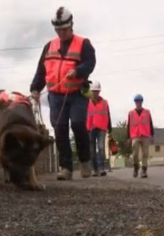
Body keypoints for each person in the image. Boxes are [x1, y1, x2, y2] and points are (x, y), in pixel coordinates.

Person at [30, 7, 96, 180]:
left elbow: (90, 63)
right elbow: (41, 71)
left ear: (71, 26)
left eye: (64, 30)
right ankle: (65, 167)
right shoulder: (49, 46)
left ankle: (84, 162)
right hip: (55, 95)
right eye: (58, 30)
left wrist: (78, 70)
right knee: (59, 128)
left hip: (77, 93)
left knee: (78, 123)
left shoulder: (84, 44)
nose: (61, 33)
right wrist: (35, 89)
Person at [86, 81, 112, 176]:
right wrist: (86, 129)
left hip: (101, 128)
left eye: (97, 91)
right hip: (90, 128)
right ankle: (94, 169)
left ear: (99, 91)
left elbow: (108, 115)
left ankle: (101, 169)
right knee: (92, 150)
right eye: (93, 91)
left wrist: (110, 128)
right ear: (91, 91)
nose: (95, 93)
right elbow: (86, 116)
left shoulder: (105, 103)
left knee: (101, 148)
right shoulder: (87, 103)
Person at [127, 94, 154, 178]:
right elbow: (128, 125)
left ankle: (144, 171)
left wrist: (152, 135)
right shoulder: (131, 113)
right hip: (135, 135)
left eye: (139, 101)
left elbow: (150, 123)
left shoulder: (147, 112)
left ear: (142, 102)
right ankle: (136, 168)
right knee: (135, 154)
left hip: (145, 135)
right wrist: (128, 137)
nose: (138, 103)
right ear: (135, 102)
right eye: (136, 101)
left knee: (145, 154)